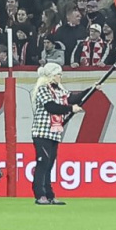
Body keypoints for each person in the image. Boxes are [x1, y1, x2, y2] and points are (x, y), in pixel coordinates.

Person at [30, 60, 73, 205]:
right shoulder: (43, 89)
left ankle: (49, 195)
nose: (60, 77)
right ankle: (39, 194)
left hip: (54, 133)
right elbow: (51, 107)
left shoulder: (60, 91)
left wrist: (92, 89)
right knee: (42, 163)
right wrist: (70, 109)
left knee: (49, 165)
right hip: (42, 132)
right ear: (52, 76)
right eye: (58, 74)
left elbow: (73, 98)